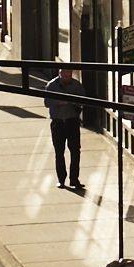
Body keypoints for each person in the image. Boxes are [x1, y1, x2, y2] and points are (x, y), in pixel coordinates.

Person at [42, 60, 91, 192]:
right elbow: (46, 103)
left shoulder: (77, 86)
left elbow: (83, 101)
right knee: (59, 151)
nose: (67, 77)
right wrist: (59, 102)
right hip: (58, 122)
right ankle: (61, 179)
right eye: (65, 75)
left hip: (72, 121)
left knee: (75, 151)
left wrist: (72, 101)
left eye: (69, 75)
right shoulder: (52, 85)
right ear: (60, 73)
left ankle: (74, 179)